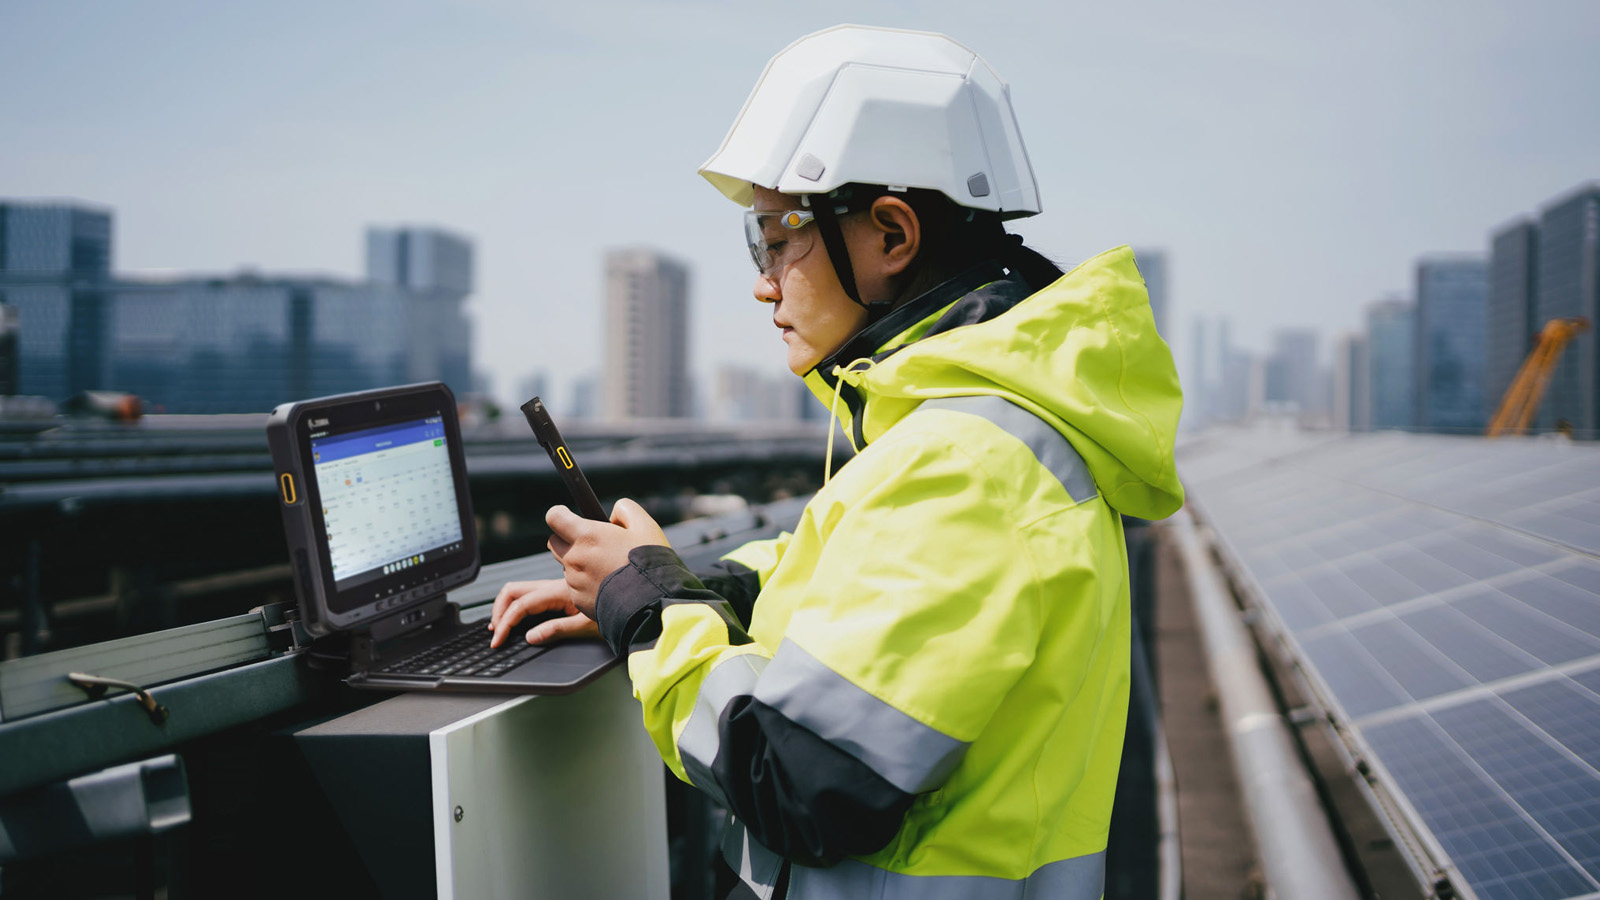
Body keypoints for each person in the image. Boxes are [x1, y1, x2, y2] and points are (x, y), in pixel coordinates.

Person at [489, 24, 1184, 900]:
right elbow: (832, 573)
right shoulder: (976, 432)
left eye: (777, 236)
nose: (763, 279)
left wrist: (654, 618)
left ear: (891, 235)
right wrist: (657, 583)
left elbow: (795, 781)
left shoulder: (964, 465)